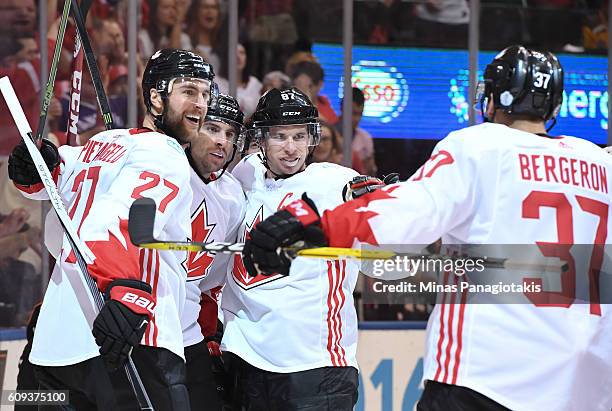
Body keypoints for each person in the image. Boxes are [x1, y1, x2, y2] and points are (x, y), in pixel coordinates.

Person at [242, 46, 612, 411]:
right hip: (586, 379)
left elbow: (406, 215)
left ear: (499, 96)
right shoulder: (599, 163)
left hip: (488, 371)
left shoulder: (480, 146)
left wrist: (317, 225)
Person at [7, 48, 215, 410]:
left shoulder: (101, 144)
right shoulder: (165, 154)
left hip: (55, 348)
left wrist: (38, 165)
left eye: (205, 93)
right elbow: (117, 219)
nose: (200, 103)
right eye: (189, 91)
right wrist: (124, 291)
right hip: (128, 341)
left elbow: (49, 181)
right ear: (155, 95)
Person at [221, 87, 388, 410]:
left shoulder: (336, 184)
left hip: (315, 369)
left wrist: (385, 217)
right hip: (246, 364)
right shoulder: (245, 173)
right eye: (280, 136)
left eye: (300, 136)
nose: (291, 148)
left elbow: (389, 266)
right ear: (261, 139)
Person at [181, 94, 247, 409]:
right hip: (137, 321)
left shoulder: (234, 195)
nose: (222, 141)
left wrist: (210, 332)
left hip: (189, 330)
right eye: (213, 128)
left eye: (230, 134)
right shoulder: (165, 168)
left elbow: (213, 282)